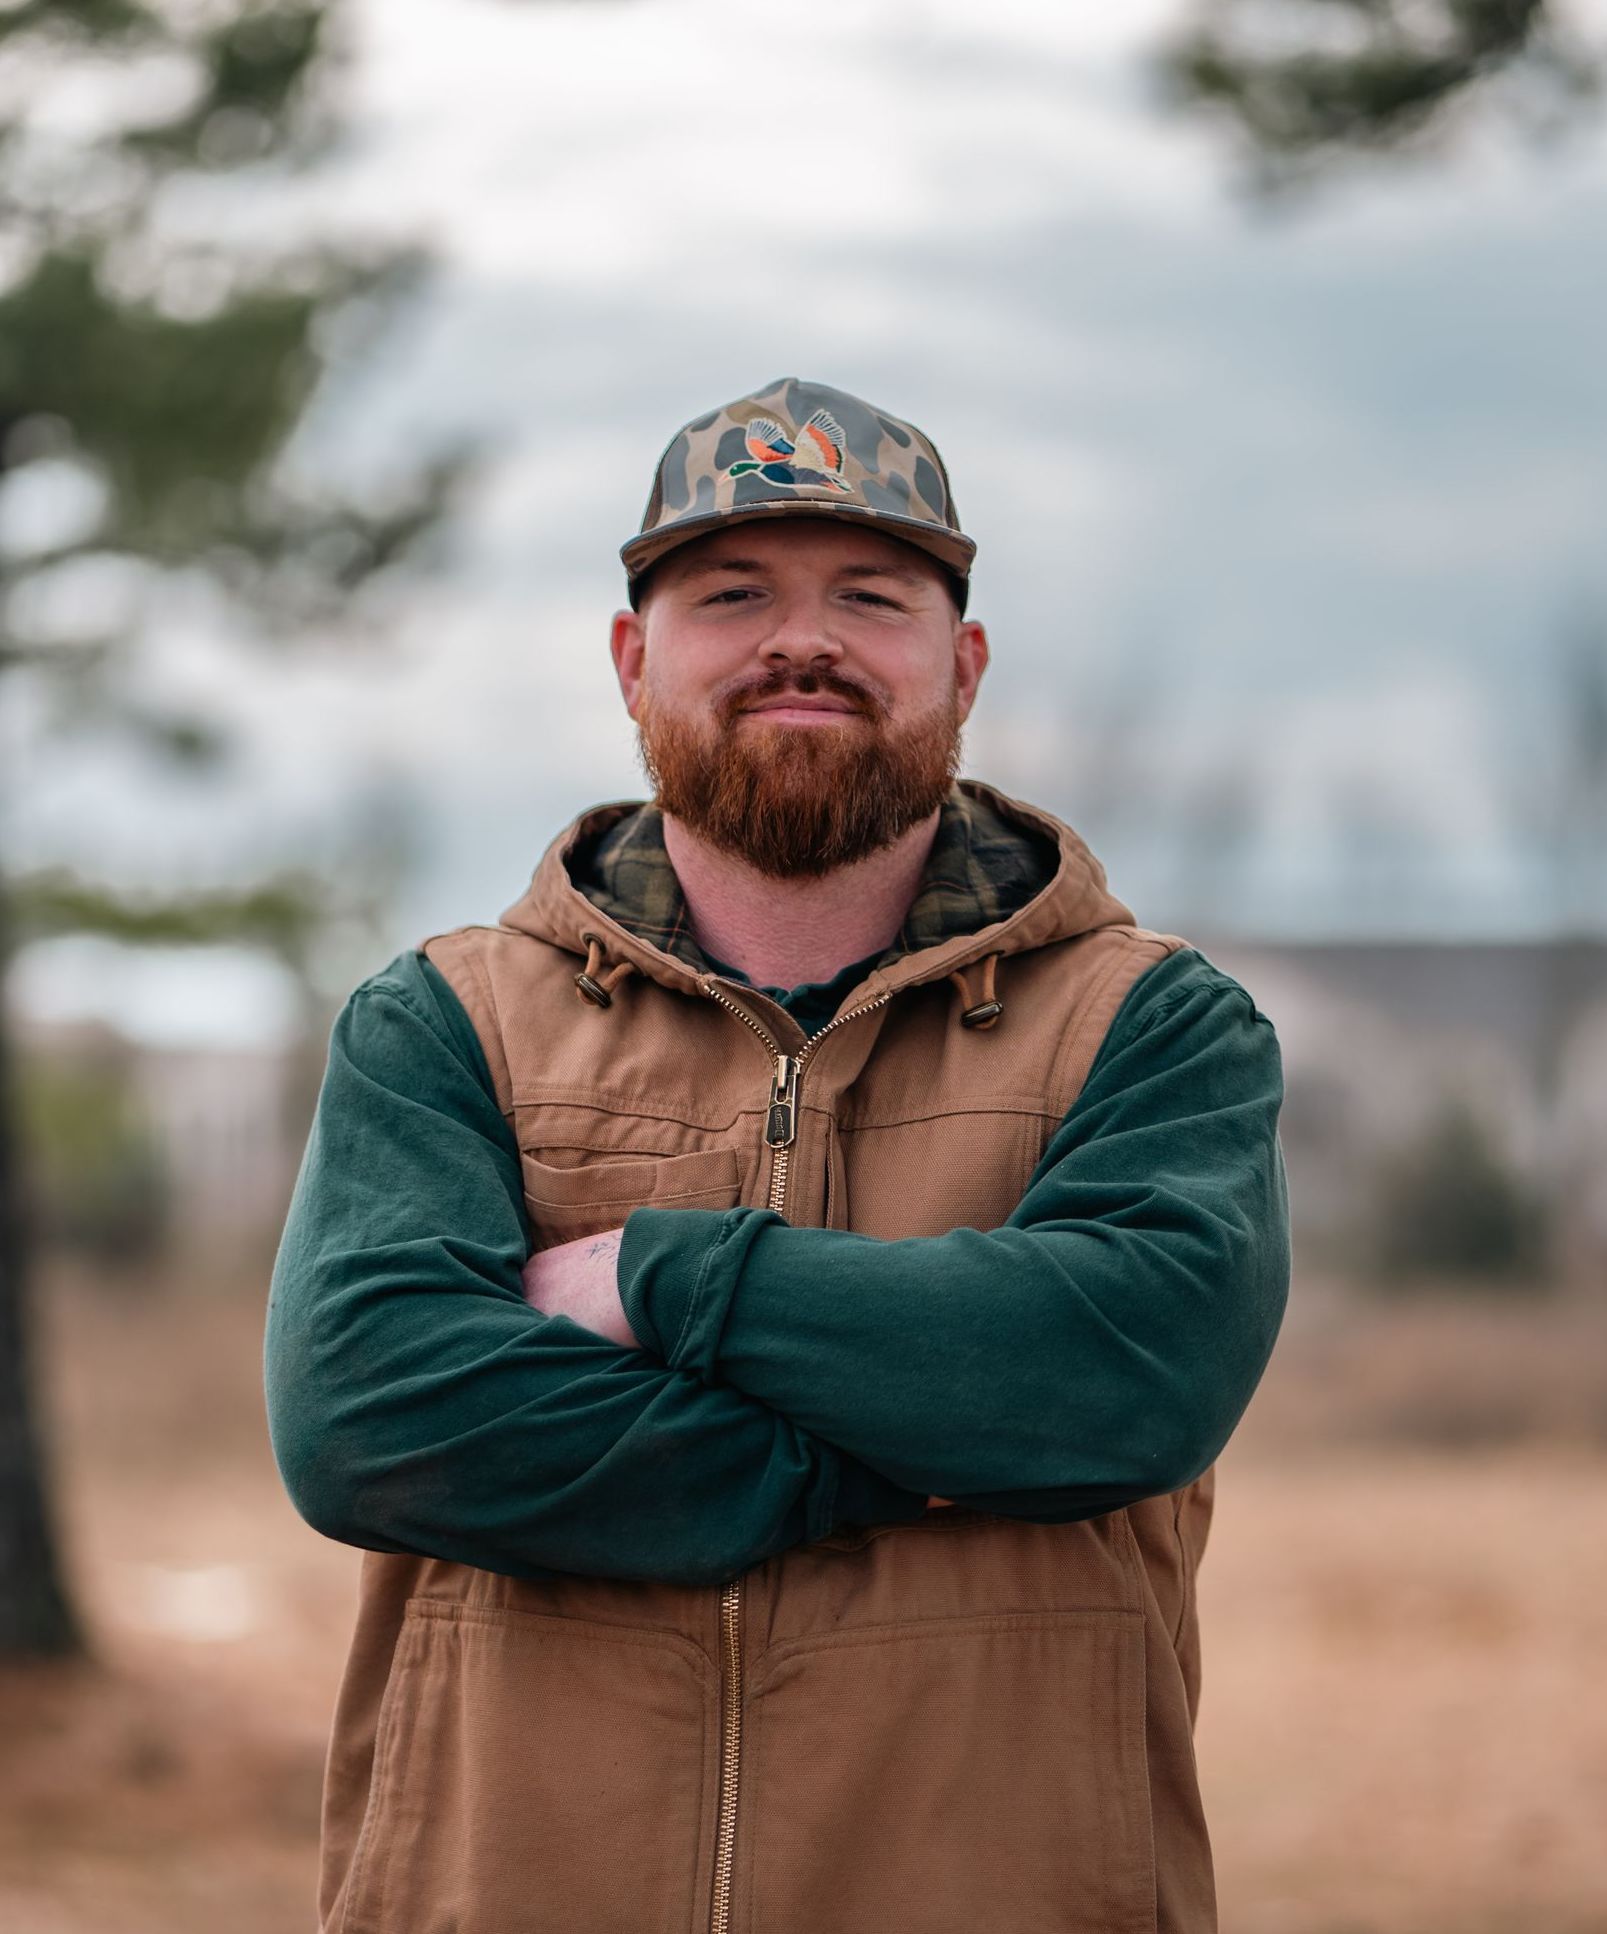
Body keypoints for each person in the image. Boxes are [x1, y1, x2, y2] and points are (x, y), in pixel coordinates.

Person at [265, 375, 1290, 1934]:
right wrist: (912, 1442)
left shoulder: (1150, 1026)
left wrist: (664, 1278)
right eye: (731, 592)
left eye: (867, 597)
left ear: (963, 663)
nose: (796, 639)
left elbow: (1124, 1373)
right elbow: (369, 1414)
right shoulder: (445, 1023)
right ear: (632, 661)